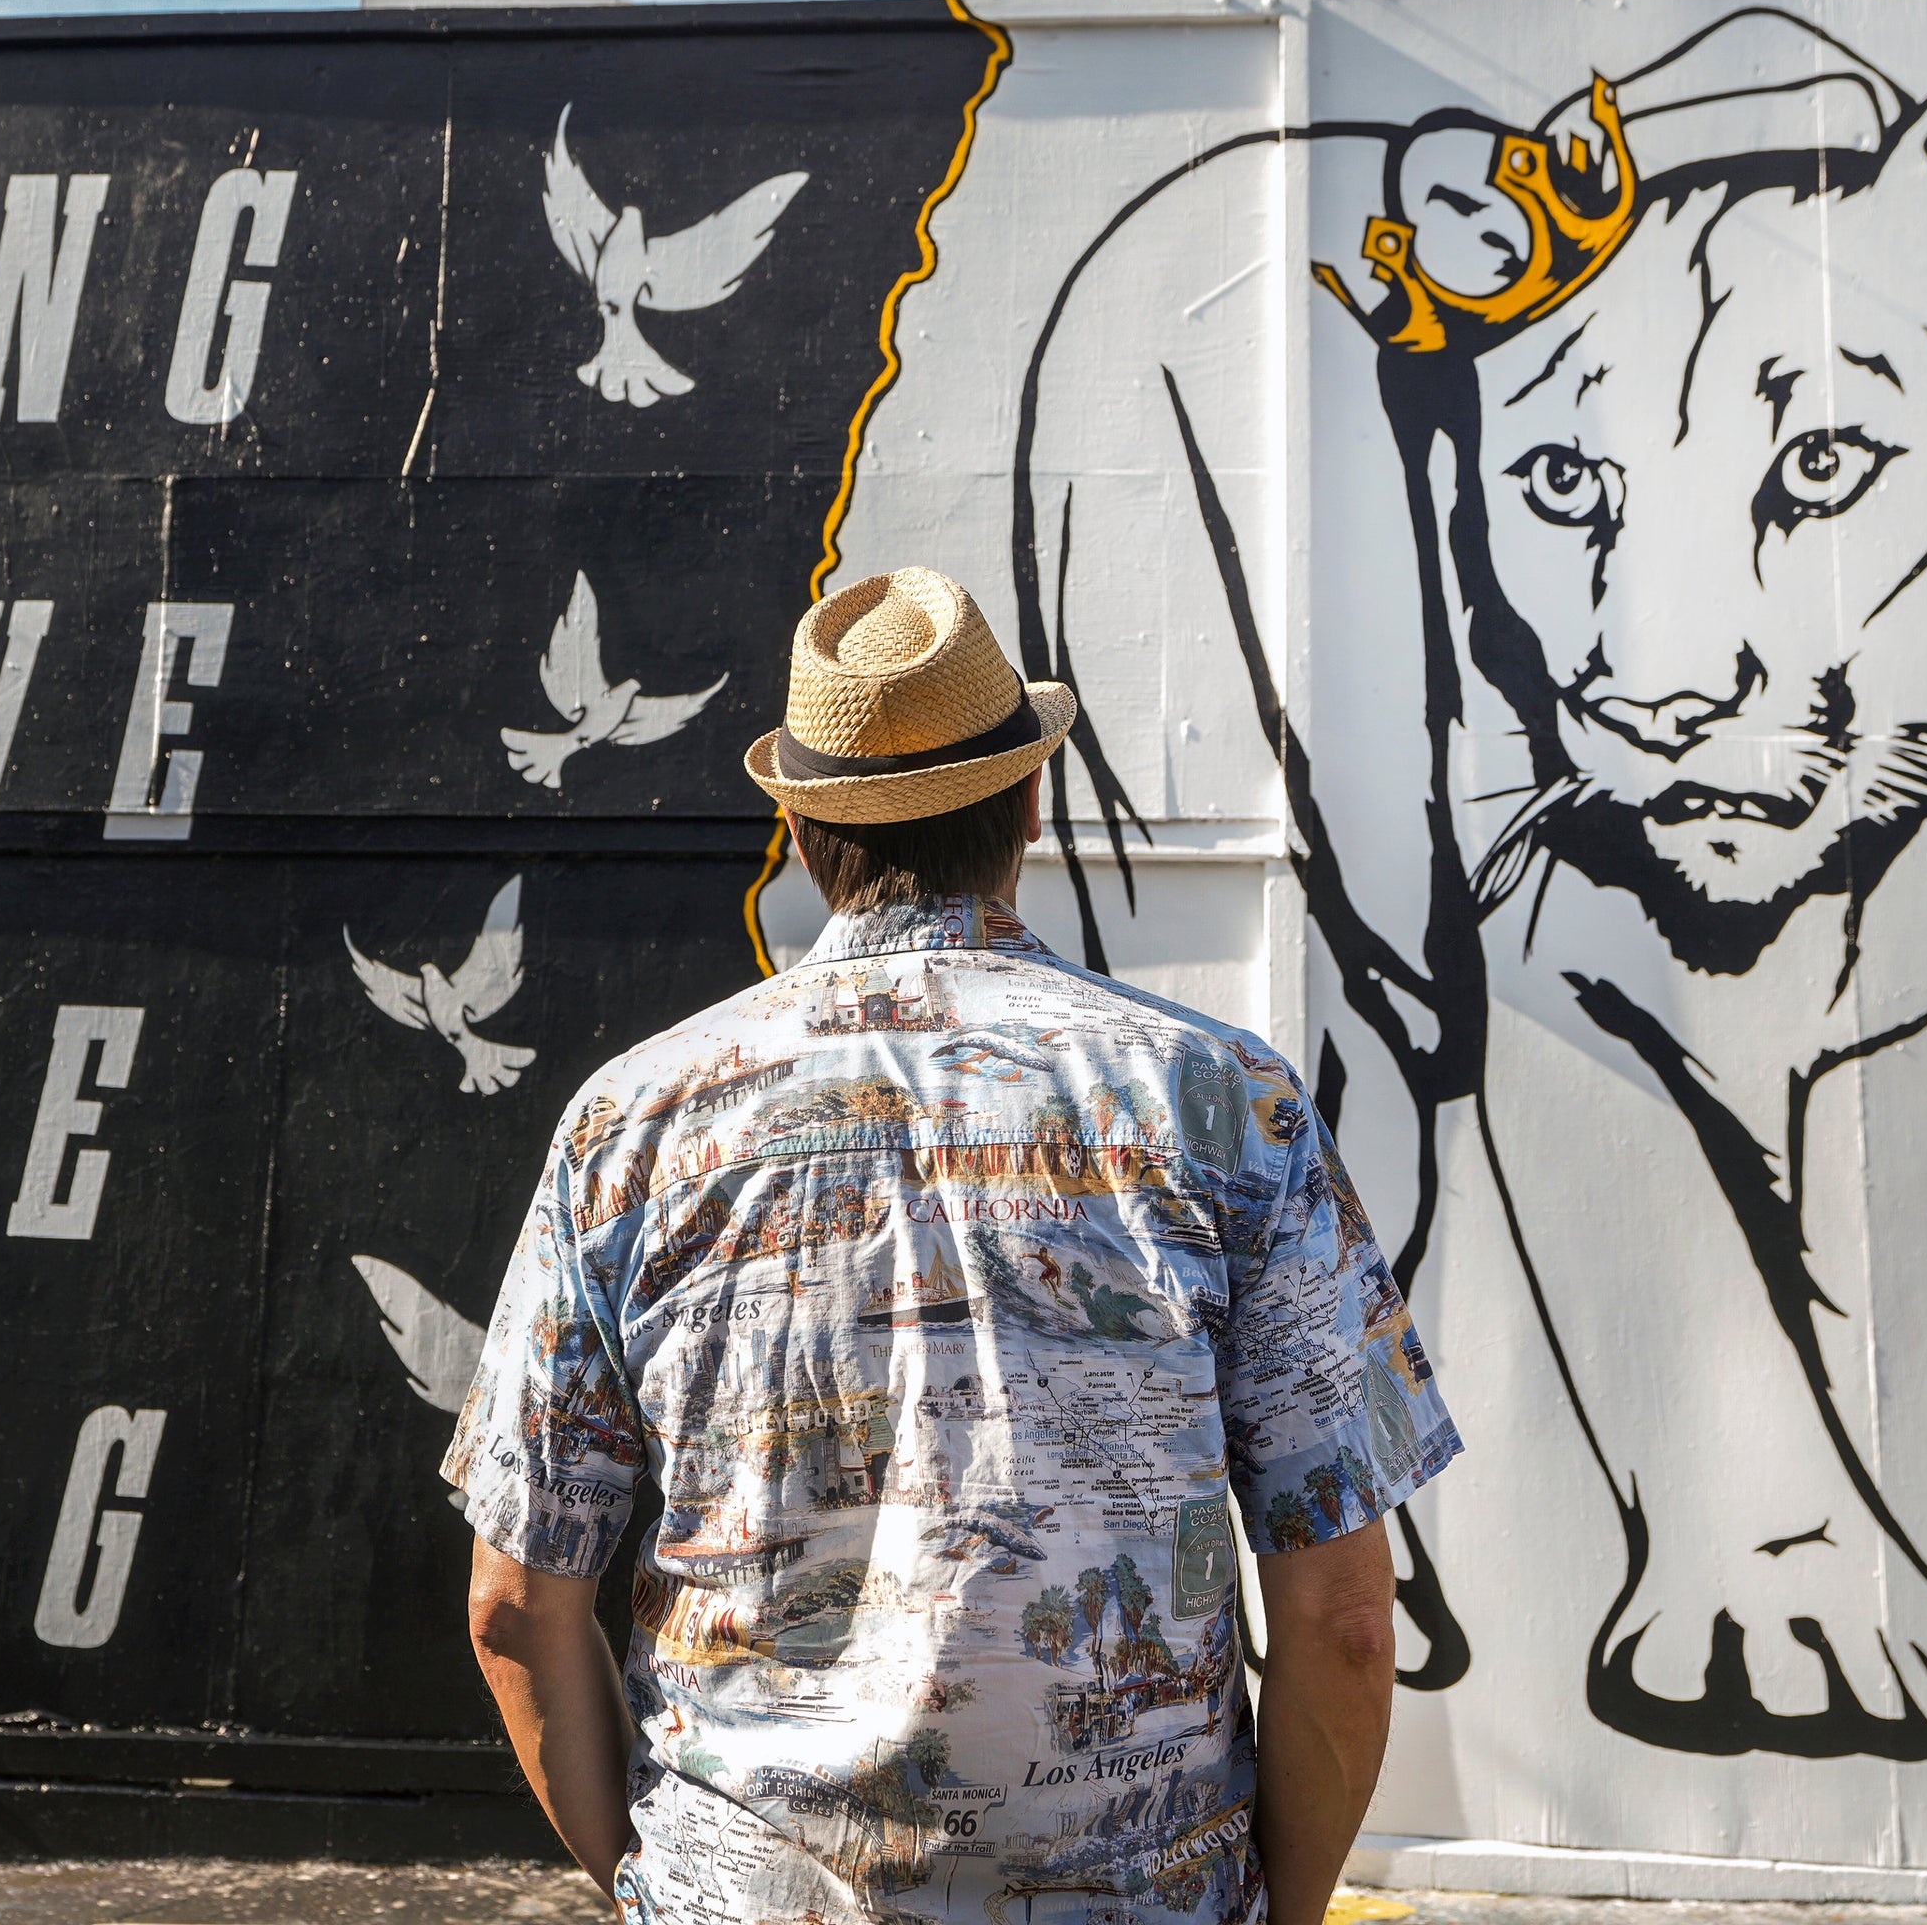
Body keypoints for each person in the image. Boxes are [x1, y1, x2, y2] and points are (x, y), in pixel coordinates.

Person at [443, 567, 1461, 1924]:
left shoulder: (629, 1126)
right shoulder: (1226, 1104)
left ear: (800, 831)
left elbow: (515, 1606)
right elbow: (1342, 1618)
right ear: (1031, 806)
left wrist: (663, 1889)